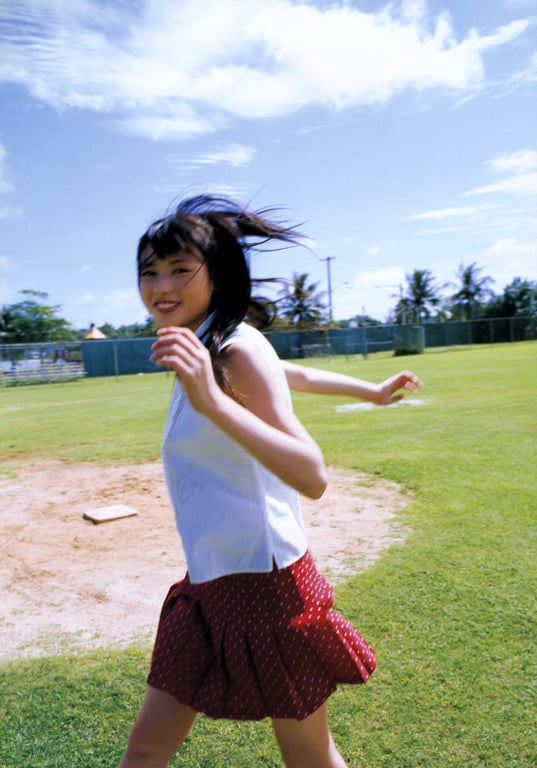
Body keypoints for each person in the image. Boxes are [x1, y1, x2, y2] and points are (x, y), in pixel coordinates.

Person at [119, 195, 421, 768]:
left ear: (217, 275)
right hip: (212, 581)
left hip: (266, 589)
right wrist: (372, 391)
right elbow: (296, 374)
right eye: (149, 272)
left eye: (181, 269)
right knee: (148, 747)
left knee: (307, 756)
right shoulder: (213, 342)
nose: (162, 285)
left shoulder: (229, 352)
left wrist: (209, 399)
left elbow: (312, 474)